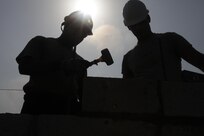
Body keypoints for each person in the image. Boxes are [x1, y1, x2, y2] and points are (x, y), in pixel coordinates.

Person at [16, 11, 93, 114]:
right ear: (66, 25)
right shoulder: (41, 42)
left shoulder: (79, 63)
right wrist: (61, 65)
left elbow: (83, 97)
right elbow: (24, 67)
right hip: (37, 106)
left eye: (83, 34)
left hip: (67, 111)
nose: (79, 35)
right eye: (76, 29)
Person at [122, 0, 204, 81]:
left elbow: (200, 60)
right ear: (129, 27)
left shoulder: (170, 40)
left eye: (141, 23)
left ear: (148, 19)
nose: (139, 28)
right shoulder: (127, 59)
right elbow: (125, 91)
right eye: (135, 25)